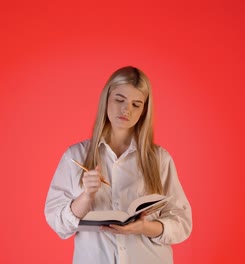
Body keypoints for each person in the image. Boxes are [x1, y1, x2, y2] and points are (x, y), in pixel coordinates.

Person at [44, 66, 192, 264]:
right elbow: (58, 223)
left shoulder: (159, 159)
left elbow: (182, 223)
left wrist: (144, 228)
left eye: (136, 104)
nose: (126, 110)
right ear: (106, 98)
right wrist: (86, 196)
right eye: (120, 100)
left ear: (144, 110)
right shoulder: (75, 155)